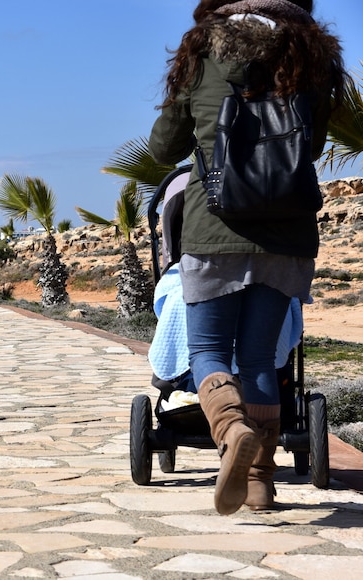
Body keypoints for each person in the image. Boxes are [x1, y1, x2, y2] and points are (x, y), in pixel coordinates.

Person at [148, 0, 345, 514]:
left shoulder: (202, 54)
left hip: (214, 228)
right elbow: (311, 146)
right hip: (286, 233)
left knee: (207, 351)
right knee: (260, 359)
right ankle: (260, 482)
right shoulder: (309, 57)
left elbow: (163, 148)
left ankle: (232, 430)